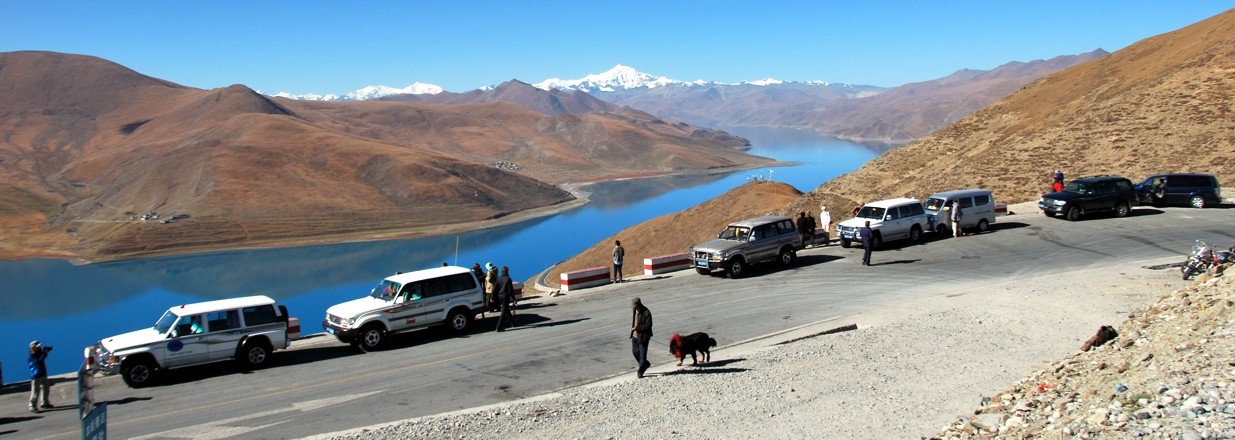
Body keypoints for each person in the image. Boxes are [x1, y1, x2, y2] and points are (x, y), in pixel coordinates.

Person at [630, 297, 653, 378]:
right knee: (635, 352)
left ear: (638, 305)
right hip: (635, 336)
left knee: (642, 355)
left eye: (634, 306)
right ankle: (645, 364)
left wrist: (637, 328)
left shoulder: (646, 312)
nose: (633, 308)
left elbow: (648, 326)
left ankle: (641, 371)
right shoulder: (635, 311)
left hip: (643, 337)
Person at [27, 341, 52, 413]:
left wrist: (45, 352)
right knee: (35, 392)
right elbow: (39, 361)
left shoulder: (39, 353)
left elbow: (42, 358)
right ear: (33, 347)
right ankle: (32, 407)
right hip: (36, 375)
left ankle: (44, 403)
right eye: (37, 346)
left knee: (46, 388)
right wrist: (44, 353)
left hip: (43, 374)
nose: (39, 347)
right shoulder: (32, 356)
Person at [494, 266, 516, 332]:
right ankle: (499, 327)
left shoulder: (498, 278)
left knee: (506, 309)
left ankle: (513, 323)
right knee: (504, 312)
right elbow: (510, 290)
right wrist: (513, 299)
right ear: (507, 271)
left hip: (500, 296)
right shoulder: (508, 279)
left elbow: (495, 288)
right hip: (506, 296)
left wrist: (493, 297)